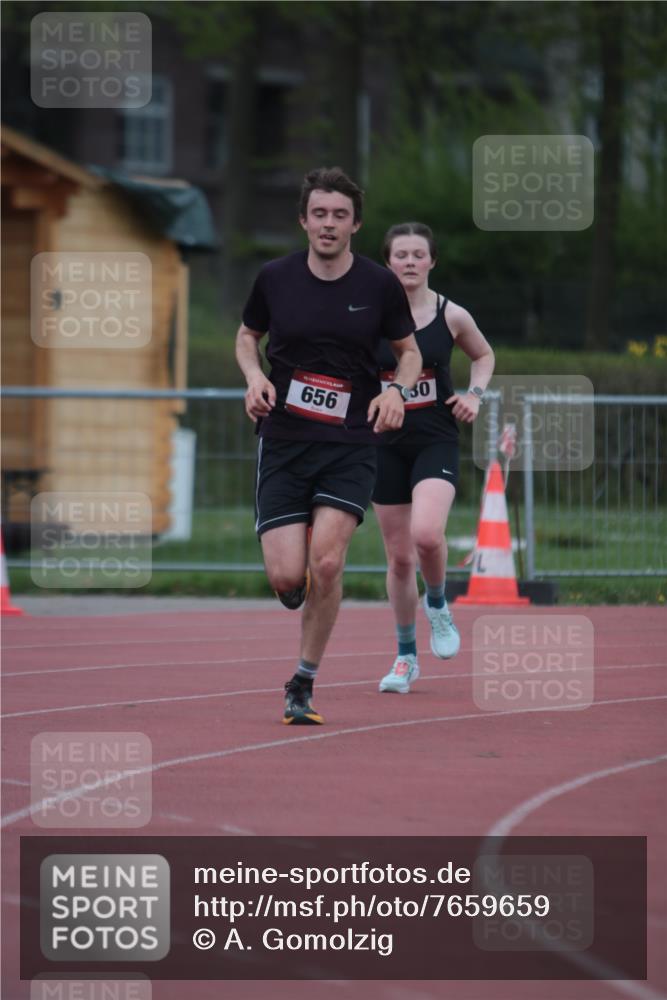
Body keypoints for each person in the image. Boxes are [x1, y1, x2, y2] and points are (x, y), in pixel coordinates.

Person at [235, 169, 422, 724]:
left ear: (355, 224)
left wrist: (396, 391)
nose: (329, 224)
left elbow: (408, 352)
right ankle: (299, 584)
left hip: (350, 442)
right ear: (303, 219)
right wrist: (253, 377)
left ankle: (302, 682)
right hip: (286, 440)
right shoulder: (274, 278)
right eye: (320, 214)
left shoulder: (377, 285)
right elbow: (249, 338)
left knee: (329, 561)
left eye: (340, 215)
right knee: (289, 577)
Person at [373, 222, 495, 694]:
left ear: (431, 262)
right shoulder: (370, 317)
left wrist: (476, 395)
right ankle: (405, 658)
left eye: (417, 254)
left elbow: (484, 356)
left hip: (435, 439)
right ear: (387, 262)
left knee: (427, 535)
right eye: (399, 254)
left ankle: (439, 604)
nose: (408, 261)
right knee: (399, 559)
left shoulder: (451, 314)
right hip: (383, 442)